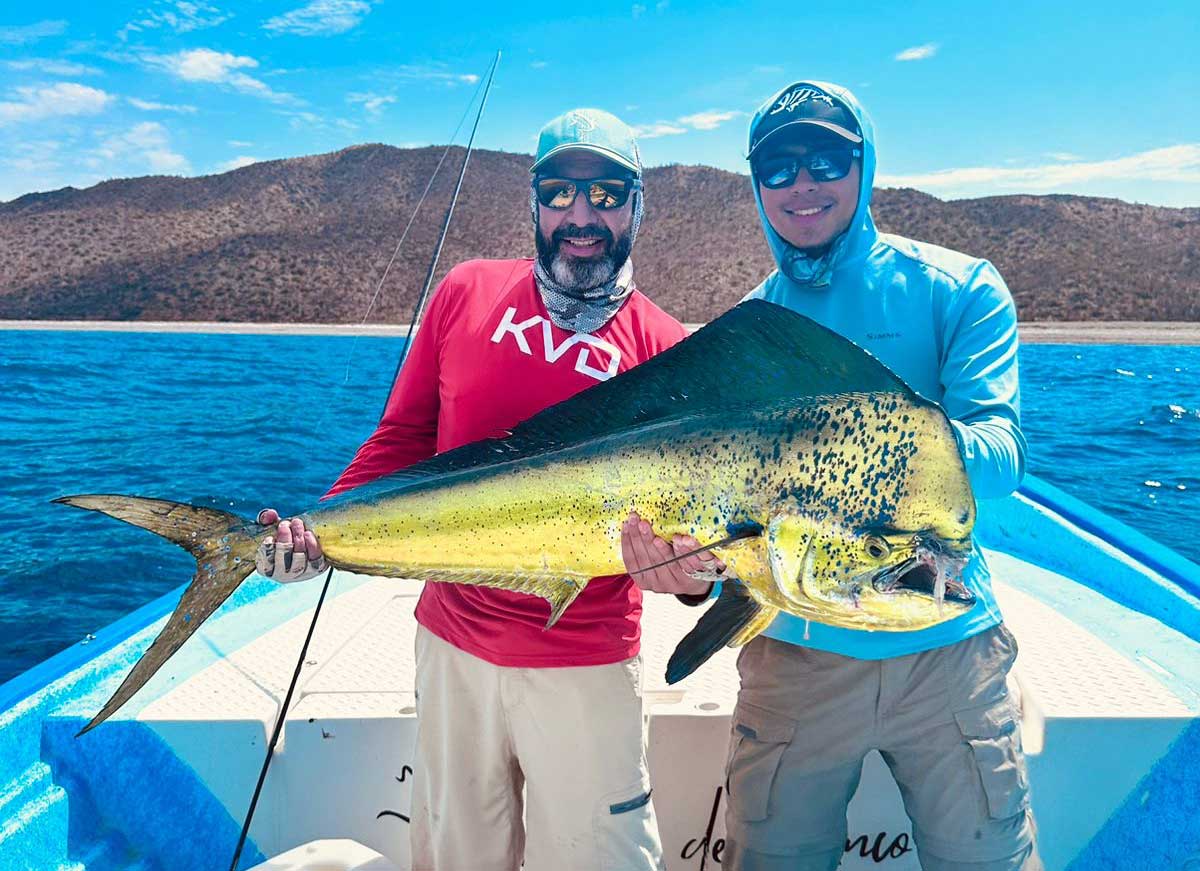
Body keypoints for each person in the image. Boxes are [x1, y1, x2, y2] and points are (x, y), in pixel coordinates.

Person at [254, 108, 711, 871]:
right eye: (559, 192)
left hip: (587, 666)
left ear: (638, 205)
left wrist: (692, 583)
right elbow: (401, 438)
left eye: (606, 193)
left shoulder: (669, 351)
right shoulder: (465, 291)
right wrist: (317, 531)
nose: (581, 214)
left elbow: (694, 532)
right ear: (532, 202)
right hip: (452, 650)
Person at [623, 80, 1041, 870]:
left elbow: (1000, 457)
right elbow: (731, 516)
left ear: (865, 166)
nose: (803, 183)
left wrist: (865, 446)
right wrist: (686, 572)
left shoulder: (960, 288)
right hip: (794, 654)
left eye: (826, 158)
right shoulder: (751, 330)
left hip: (945, 647)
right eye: (777, 168)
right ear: (756, 187)